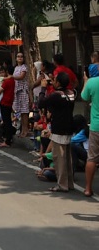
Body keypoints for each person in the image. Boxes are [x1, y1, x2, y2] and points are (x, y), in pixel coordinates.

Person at [38, 72, 76, 193]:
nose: (52, 81)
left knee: (59, 158)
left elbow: (41, 102)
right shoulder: (72, 93)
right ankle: (69, 183)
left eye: (54, 80)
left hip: (58, 129)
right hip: (69, 127)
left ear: (59, 83)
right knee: (67, 158)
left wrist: (43, 88)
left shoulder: (56, 95)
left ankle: (62, 185)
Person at [80, 63, 99, 197]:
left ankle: (87, 188)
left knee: (92, 158)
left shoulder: (92, 82)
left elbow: (84, 97)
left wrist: (86, 81)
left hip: (96, 125)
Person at [0, 65, 15, 148]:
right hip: (10, 101)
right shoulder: (13, 80)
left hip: (4, 102)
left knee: (6, 121)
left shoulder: (6, 81)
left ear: (7, 72)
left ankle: (7, 140)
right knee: (8, 121)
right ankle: (8, 139)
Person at [12, 52, 31, 138]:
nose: (19, 58)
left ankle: (25, 130)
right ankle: (22, 130)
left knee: (25, 112)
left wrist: (11, 77)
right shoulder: (16, 68)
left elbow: (21, 77)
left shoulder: (24, 67)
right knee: (20, 112)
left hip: (23, 91)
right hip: (17, 92)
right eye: (18, 56)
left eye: (21, 56)